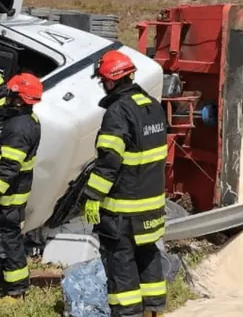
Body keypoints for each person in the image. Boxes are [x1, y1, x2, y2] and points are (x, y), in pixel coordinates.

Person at [81, 50, 169, 317]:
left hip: (123, 209)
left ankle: (128, 313)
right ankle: (154, 311)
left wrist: (93, 196)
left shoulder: (118, 112)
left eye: (103, 80)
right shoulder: (153, 106)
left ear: (111, 80)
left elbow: (109, 161)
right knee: (148, 255)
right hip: (152, 205)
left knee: (121, 262)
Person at [0, 48, 42, 304]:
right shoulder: (16, 114)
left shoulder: (19, 129)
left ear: (22, 100)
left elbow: (8, 169)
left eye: (14, 94)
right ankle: (7, 278)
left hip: (7, 200)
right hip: (2, 197)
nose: (8, 97)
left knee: (8, 241)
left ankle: (17, 291)